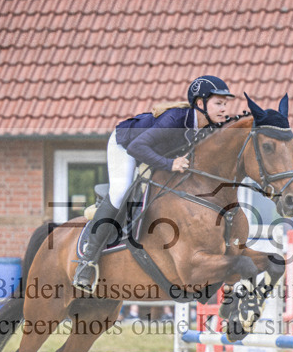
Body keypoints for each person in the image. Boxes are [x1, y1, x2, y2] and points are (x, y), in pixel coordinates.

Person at [73, 76, 235, 292]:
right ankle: (87, 260)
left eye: (225, 104)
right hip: (127, 144)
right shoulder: (175, 120)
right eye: (219, 103)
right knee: (121, 192)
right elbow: (137, 147)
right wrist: (169, 164)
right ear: (200, 104)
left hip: (155, 153)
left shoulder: (209, 128)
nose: (224, 109)